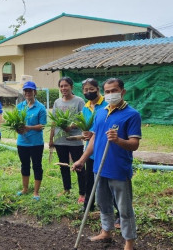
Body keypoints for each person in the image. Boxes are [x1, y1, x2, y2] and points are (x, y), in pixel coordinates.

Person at [72, 78, 141, 250]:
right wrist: (81, 159)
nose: (111, 94)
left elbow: (134, 144)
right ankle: (106, 231)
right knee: (103, 203)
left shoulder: (132, 114)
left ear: (122, 91)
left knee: (124, 208)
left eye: (114, 90)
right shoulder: (101, 112)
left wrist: (118, 140)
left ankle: (129, 242)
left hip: (118, 168)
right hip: (99, 167)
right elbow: (94, 139)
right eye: (108, 91)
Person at [49, 77, 86, 202]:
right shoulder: (57, 102)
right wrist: (51, 139)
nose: (63, 88)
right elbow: (54, 121)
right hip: (60, 140)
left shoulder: (79, 101)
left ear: (71, 87)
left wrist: (72, 126)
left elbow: (84, 118)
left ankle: (82, 193)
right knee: (63, 165)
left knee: (79, 166)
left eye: (66, 86)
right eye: (61, 86)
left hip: (74, 139)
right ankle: (66, 189)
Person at [16, 81, 47, 201]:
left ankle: (36, 191)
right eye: (26, 90)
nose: (28, 93)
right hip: (22, 142)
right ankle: (25, 189)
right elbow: (16, 123)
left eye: (30, 90)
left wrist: (29, 128)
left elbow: (42, 125)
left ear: (35, 92)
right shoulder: (20, 106)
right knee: (24, 165)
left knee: (37, 166)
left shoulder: (40, 107)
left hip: (36, 143)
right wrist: (18, 129)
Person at [80, 78, 108, 212]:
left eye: (91, 89)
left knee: (108, 182)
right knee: (89, 180)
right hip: (90, 151)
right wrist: (85, 133)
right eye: (86, 90)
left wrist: (94, 133)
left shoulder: (106, 105)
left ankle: (117, 212)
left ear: (98, 89)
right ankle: (88, 206)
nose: (89, 92)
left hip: (104, 149)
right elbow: (86, 127)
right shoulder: (86, 107)